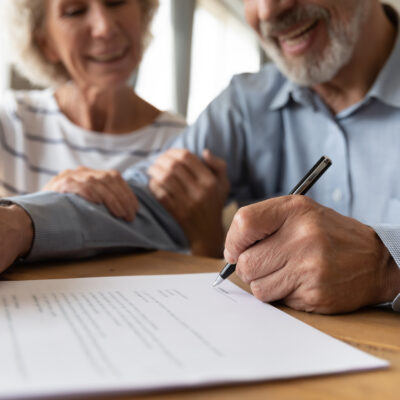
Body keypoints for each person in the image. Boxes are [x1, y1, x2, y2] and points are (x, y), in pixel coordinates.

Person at [1, 0, 400, 314]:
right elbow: (145, 201)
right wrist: (22, 223)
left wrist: (387, 267)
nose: (267, 9)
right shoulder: (247, 105)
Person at [0, 0, 189, 221]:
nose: (105, 27)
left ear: (143, 12)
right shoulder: (10, 122)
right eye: (75, 12)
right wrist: (44, 210)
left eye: (116, 2)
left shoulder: (184, 144)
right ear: (46, 44)